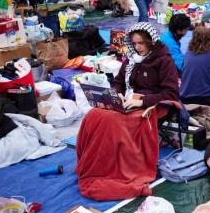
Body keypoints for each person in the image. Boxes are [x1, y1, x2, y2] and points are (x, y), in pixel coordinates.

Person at [76, 22, 179, 200]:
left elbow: (170, 93)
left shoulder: (164, 60)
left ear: (151, 42)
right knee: (94, 115)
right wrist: (118, 96)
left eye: (141, 43)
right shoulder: (131, 58)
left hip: (153, 105)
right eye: (135, 43)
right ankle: (99, 164)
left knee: (114, 121)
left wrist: (142, 102)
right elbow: (118, 82)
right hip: (128, 102)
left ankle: (115, 167)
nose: (138, 47)